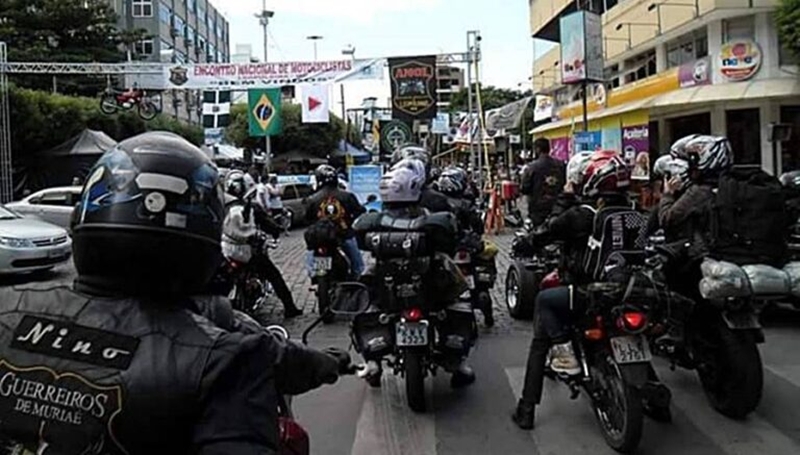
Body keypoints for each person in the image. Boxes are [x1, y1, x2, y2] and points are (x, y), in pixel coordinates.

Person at [0, 131, 347, 454]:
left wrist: (321, 363)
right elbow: (274, 356)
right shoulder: (226, 359)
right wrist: (327, 363)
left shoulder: (7, 307)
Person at [512, 150, 632, 430]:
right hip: (627, 290)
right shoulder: (631, 211)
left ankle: (528, 405)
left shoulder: (579, 215)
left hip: (587, 291)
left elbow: (544, 233)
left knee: (543, 304)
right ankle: (655, 400)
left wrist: (564, 197)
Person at [355, 158, 476, 387]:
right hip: (427, 281)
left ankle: (372, 363)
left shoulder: (372, 220)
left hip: (390, 282)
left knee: (364, 294)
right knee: (461, 294)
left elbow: (361, 242)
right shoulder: (435, 217)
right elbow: (450, 243)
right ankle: (456, 361)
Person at [659, 135, 732, 299]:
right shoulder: (731, 186)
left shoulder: (699, 192)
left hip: (700, 257)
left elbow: (667, 219)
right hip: (729, 252)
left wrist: (667, 195)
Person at [222, 171, 303, 318]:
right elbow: (269, 225)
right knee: (274, 276)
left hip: (227, 251)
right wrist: (277, 231)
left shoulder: (221, 206)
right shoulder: (253, 207)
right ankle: (290, 308)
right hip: (250, 252)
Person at [304, 164, 366, 277]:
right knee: (358, 266)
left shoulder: (312, 199)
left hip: (322, 238)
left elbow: (307, 218)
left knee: (312, 264)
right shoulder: (347, 196)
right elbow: (360, 211)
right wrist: (348, 220)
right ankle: (356, 284)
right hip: (344, 234)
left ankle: (314, 275)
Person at [520, 138, 566, 226]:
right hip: (557, 206)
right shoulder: (561, 165)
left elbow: (524, 188)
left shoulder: (532, 167)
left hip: (538, 208)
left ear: (538, 149)